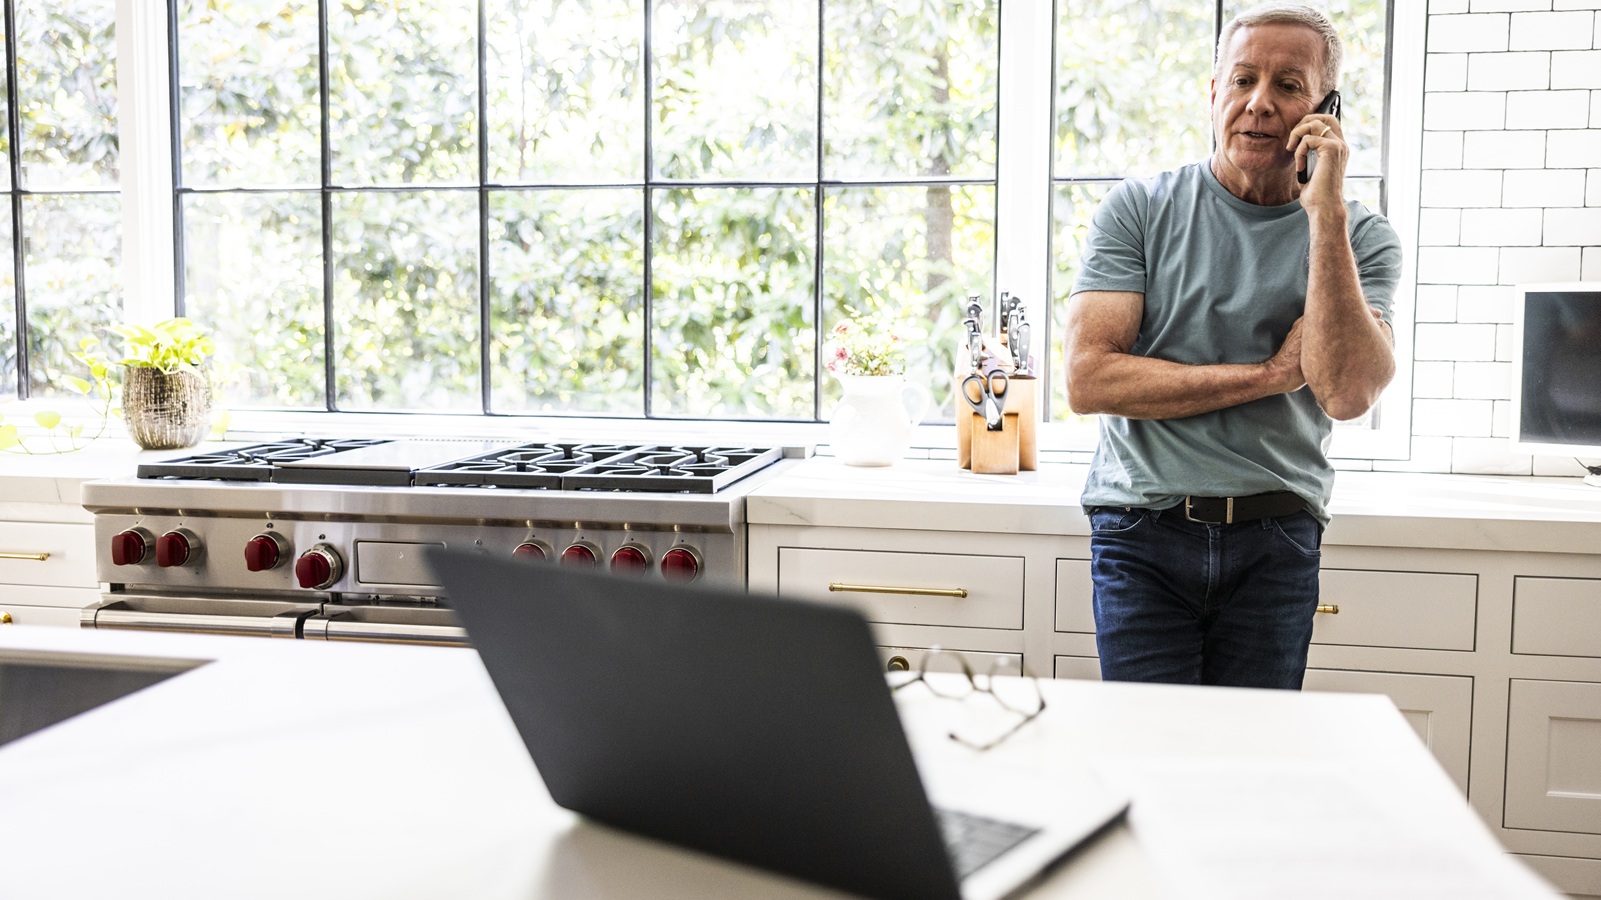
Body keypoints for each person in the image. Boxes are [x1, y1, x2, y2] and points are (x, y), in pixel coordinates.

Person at [1063, 3, 1401, 690]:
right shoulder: (1138, 209)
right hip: (1140, 531)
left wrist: (1324, 213)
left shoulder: (1359, 238)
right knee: (1148, 757)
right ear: (1211, 91)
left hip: (1274, 538)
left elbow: (1345, 392)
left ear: (1323, 106)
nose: (1259, 103)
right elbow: (1089, 380)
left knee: (1249, 767)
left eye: (1287, 85)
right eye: (1242, 79)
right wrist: (1270, 375)